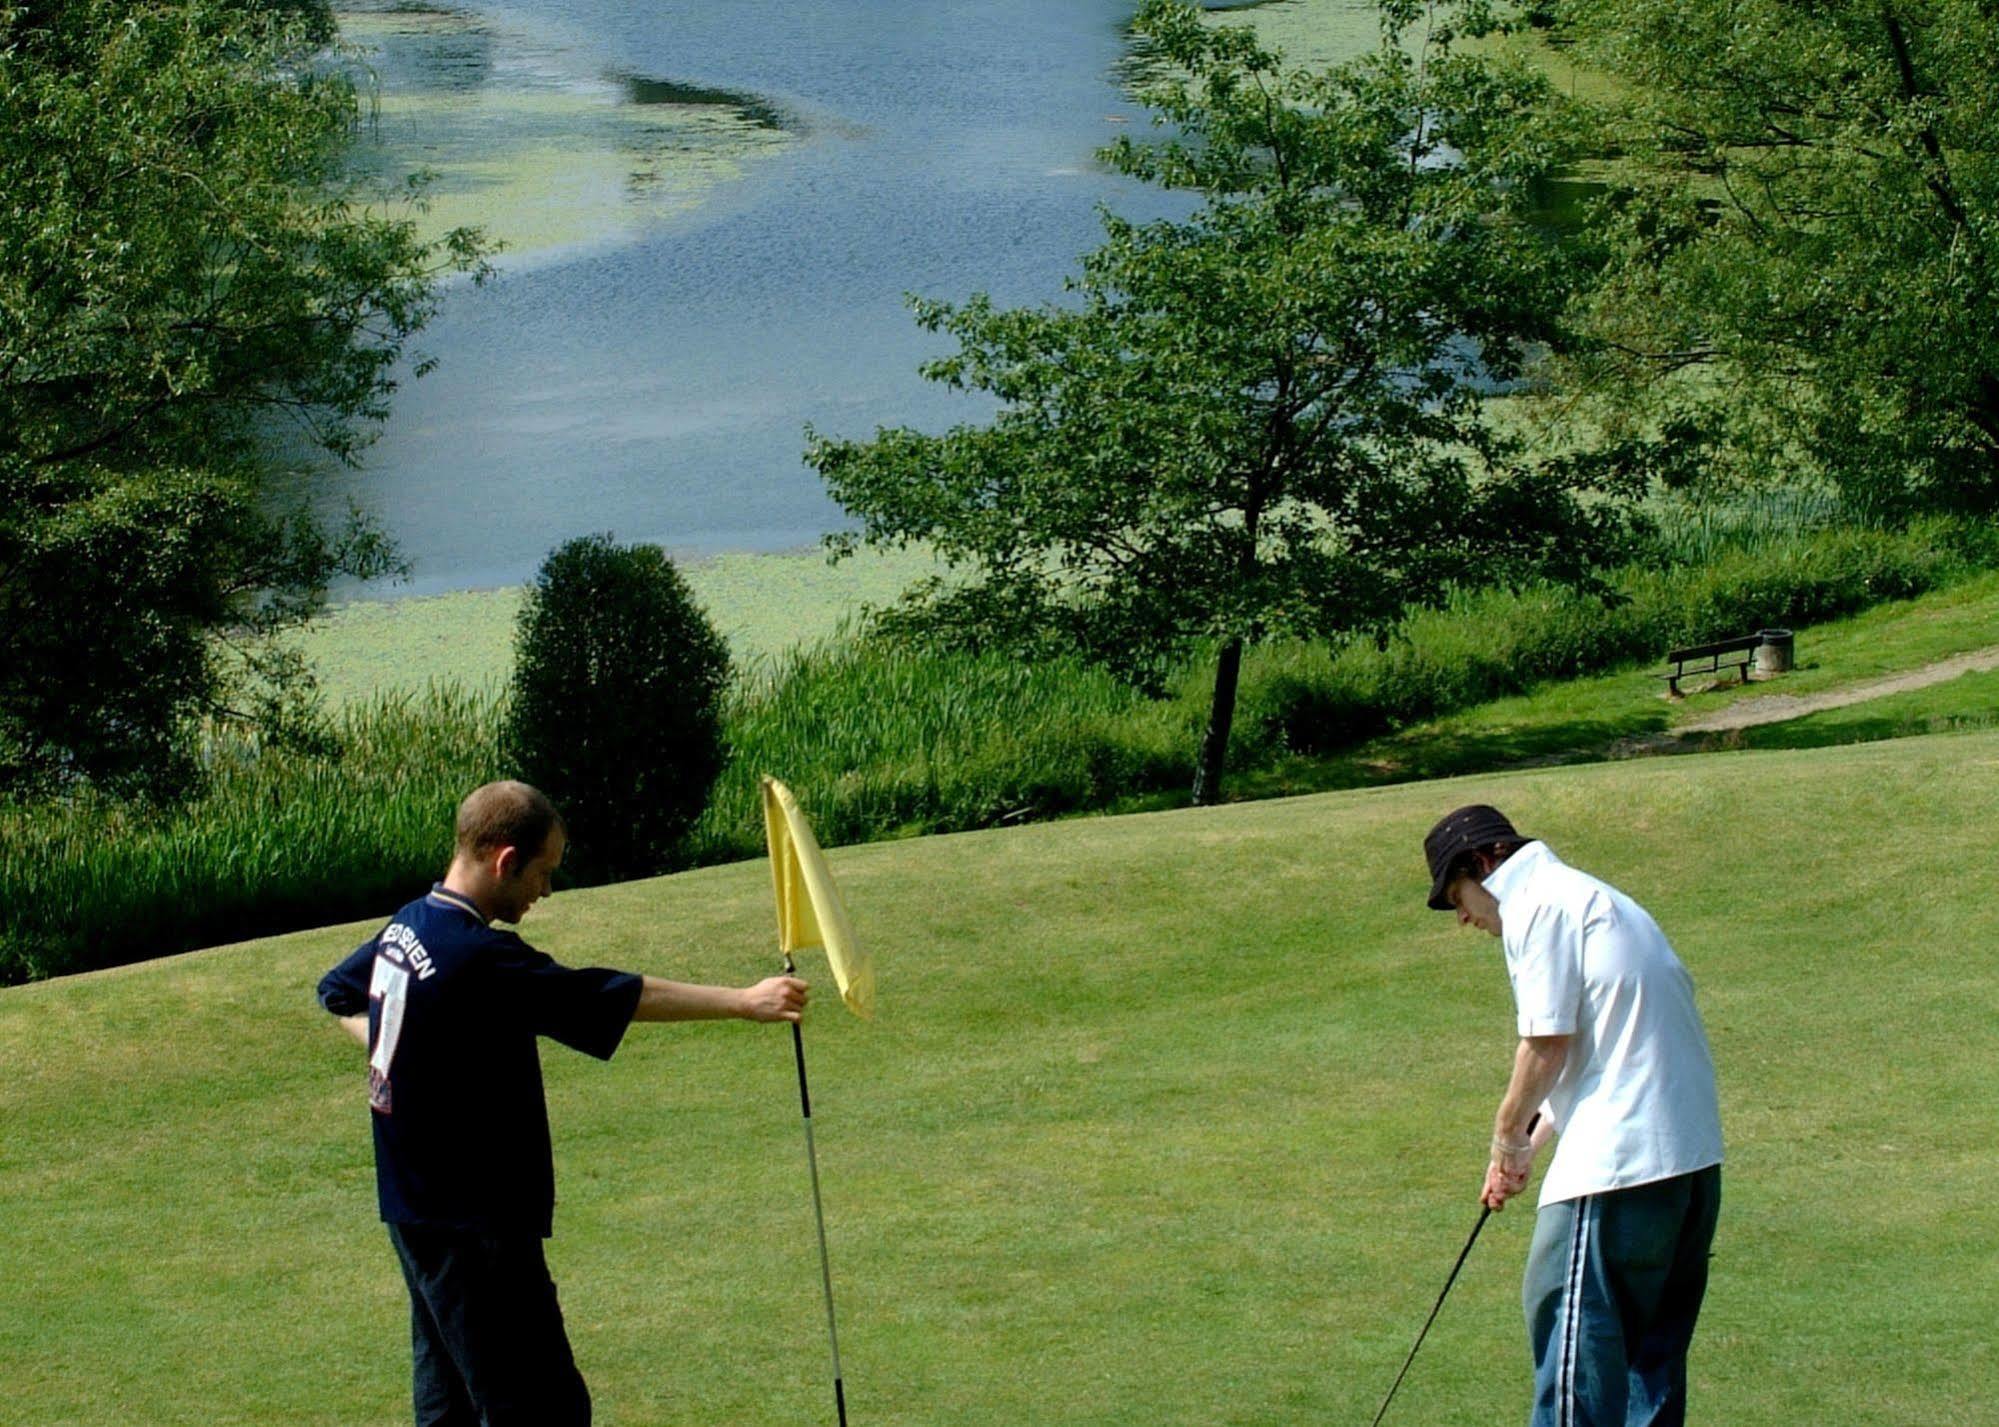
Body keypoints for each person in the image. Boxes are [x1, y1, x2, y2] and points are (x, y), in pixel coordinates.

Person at [317, 779, 807, 1427]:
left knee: (450, 1404)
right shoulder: (478, 957)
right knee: (539, 1407)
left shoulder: (412, 924)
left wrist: (396, 1052)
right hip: (475, 1224)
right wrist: (744, 1002)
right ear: (503, 860)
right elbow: (609, 995)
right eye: (543, 872)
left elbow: (341, 992)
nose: (546, 890)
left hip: (415, 1209)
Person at [1422, 803, 1723, 1427]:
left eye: (1458, 896)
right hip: (1691, 1168)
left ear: (1485, 865)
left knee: (1571, 1343)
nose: (1463, 918)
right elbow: (1597, 1047)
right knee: (1651, 1370)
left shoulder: (1537, 904)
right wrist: (1529, 1147)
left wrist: (1506, 1136)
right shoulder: (1595, 899)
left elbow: (1546, 1042)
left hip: (1620, 1170)